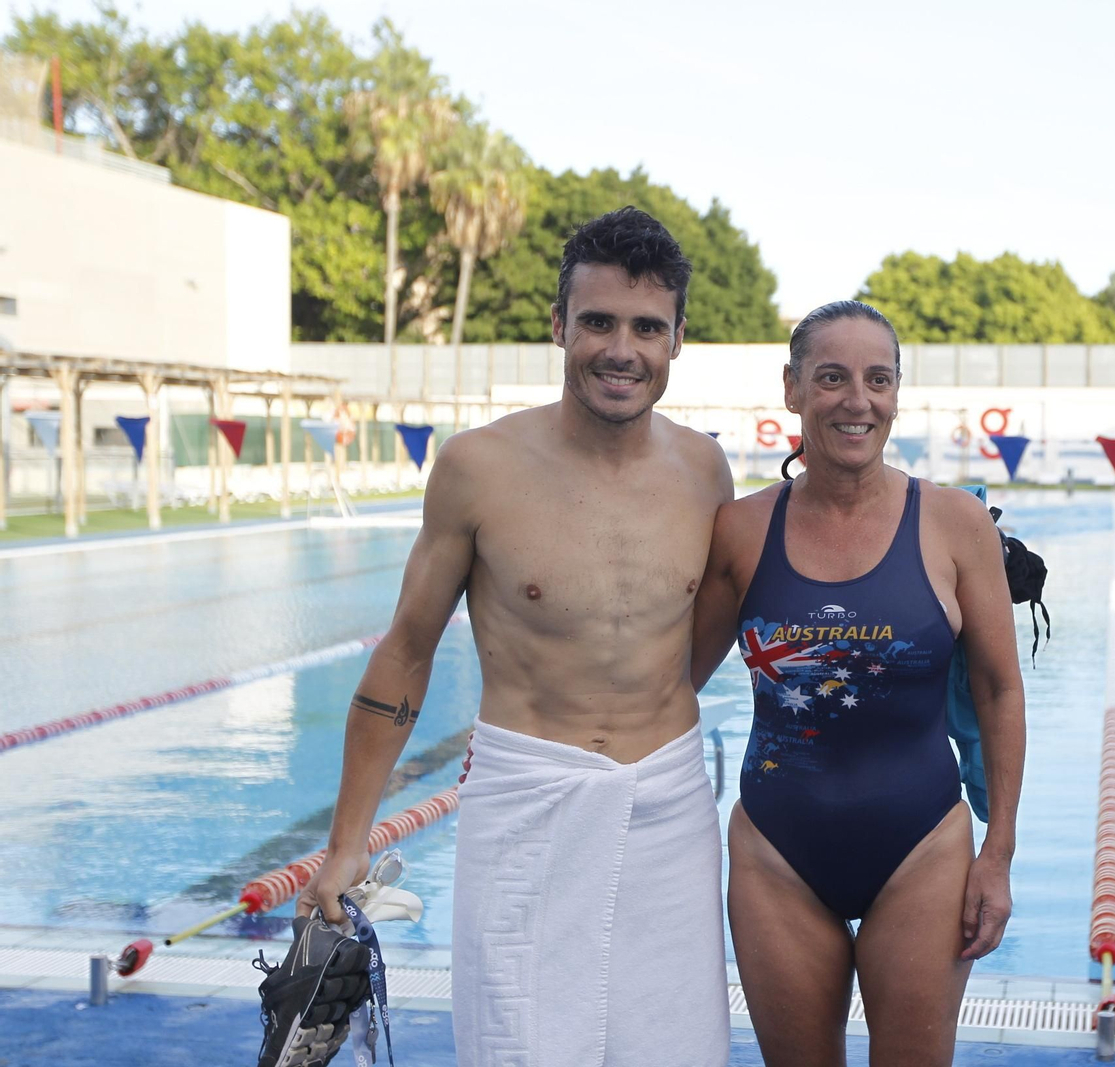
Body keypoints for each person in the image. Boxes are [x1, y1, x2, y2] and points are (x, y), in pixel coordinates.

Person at [291, 206, 734, 1067]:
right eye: (599, 322)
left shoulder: (703, 469)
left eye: (647, 327)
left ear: (679, 338)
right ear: (559, 325)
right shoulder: (479, 467)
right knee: (521, 1047)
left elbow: (697, 640)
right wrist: (347, 843)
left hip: (668, 806)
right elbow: (407, 651)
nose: (622, 349)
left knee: (673, 1046)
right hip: (529, 799)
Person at [690, 300, 1026, 1066]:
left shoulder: (954, 524)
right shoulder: (740, 530)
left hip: (923, 848)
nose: (858, 400)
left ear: (897, 392)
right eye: (832, 377)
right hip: (776, 853)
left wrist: (998, 852)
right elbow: (674, 683)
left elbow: (1000, 691)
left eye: (878, 379)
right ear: (792, 388)